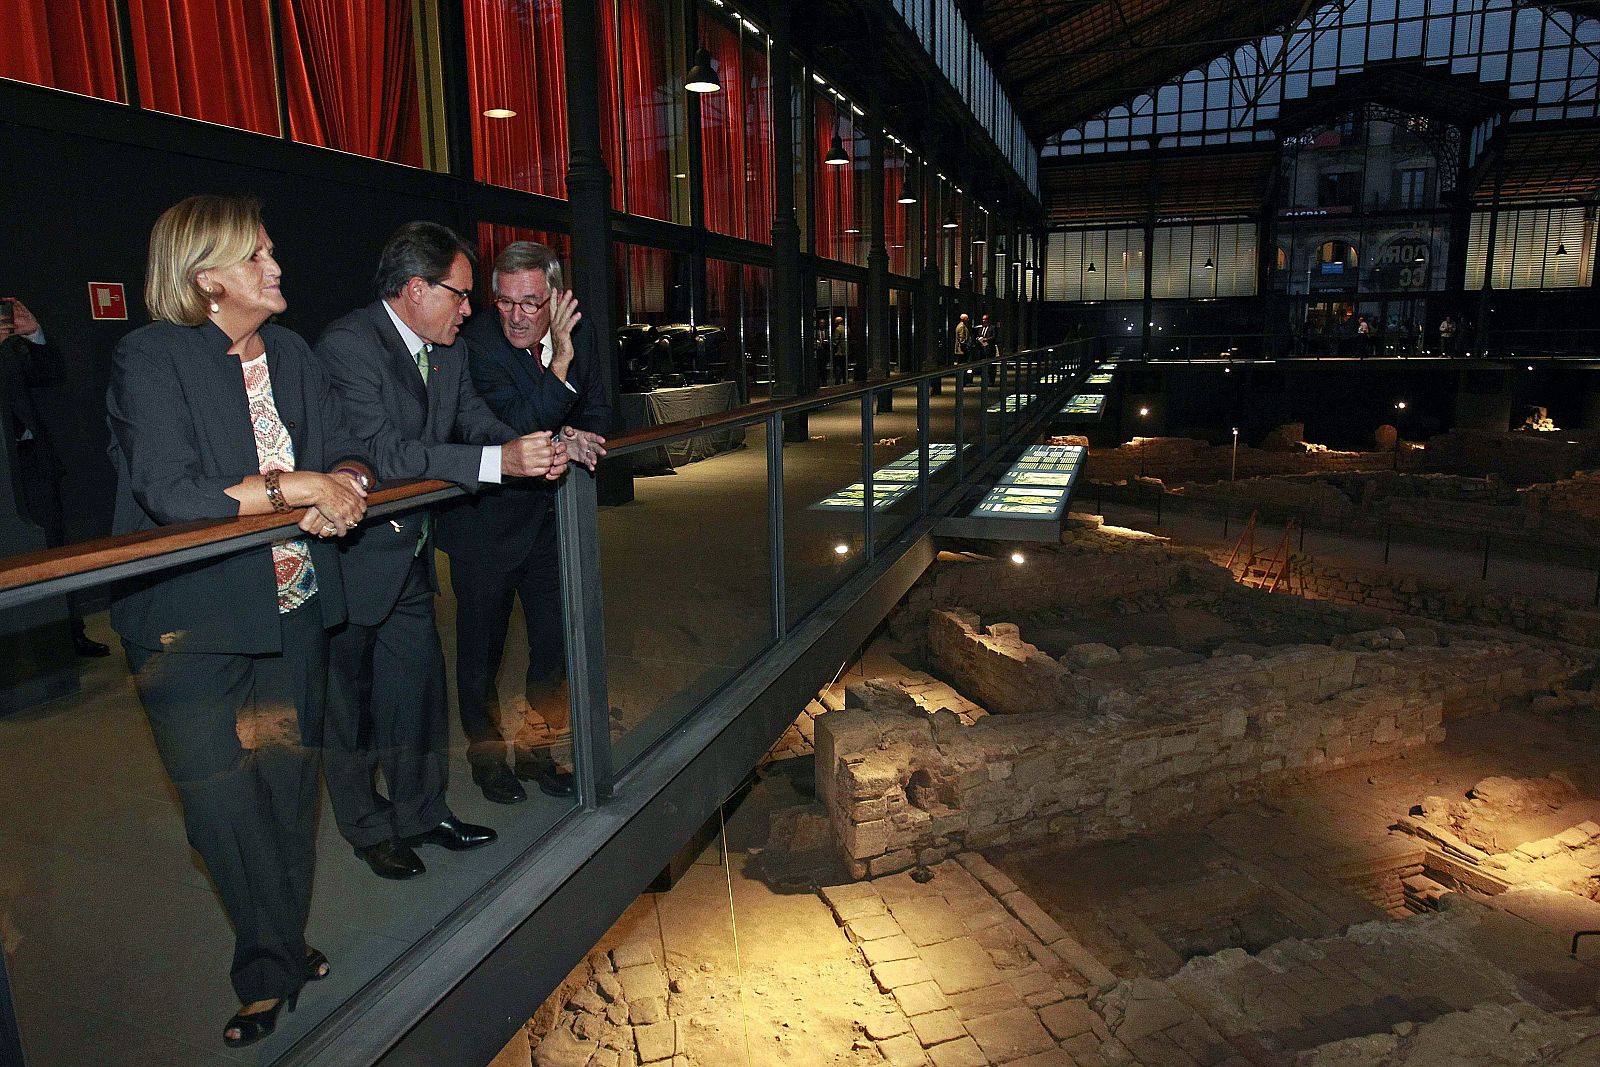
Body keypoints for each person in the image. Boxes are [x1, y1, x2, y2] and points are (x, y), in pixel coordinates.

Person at [106, 195, 375, 1046]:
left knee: (291, 792)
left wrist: (348, 482)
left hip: (291, 610)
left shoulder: (291, 352)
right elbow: (172, 492)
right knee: (219, 807)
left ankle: (276, 953)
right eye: (257, 256)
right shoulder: (150, 357)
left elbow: (341, 448)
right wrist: (298, 487)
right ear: (207, 277)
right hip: (189, 631)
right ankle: (272, 952)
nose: (276, 267)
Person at [315, 222, 566, 880]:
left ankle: (424, 812)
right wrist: (496, 459)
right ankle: (369, 828)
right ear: (416, 288)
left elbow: (471, 417)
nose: (469, 309)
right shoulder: (348, 345)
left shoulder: (446, 350)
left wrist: (520, 445)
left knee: (416, 693)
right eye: (459, 294)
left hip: (412, 554)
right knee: (353, 705)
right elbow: (385, 457)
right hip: (353, 559)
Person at [437, 241, 610, 804]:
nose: (515, 316)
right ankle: (487, 760)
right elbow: (511, 430)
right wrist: (558, 367)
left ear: (554, 298)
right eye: (504, 301)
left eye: (531, 303)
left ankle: (538, 751)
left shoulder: (581, 333)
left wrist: (562, 428)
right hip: (483, 527)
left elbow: (602, 415)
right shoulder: (475, 346)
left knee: (553, 649)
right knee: (479, 654)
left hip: (551, 524)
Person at [0, 296, 109, 655]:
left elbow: (50, 375)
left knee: (53, 549)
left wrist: (33, 336)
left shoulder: (14, 348)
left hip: (33, 463)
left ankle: (67, 634)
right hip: (5, 470)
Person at [832, 315, 848, 384]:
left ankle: (837, 381)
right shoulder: (847, 328)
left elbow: (836, 340)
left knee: (838, 366)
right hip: (846, 350)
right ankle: (845, 380)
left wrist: (833, 345)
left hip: (839, 351)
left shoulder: (838, 329)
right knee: (844, 367)